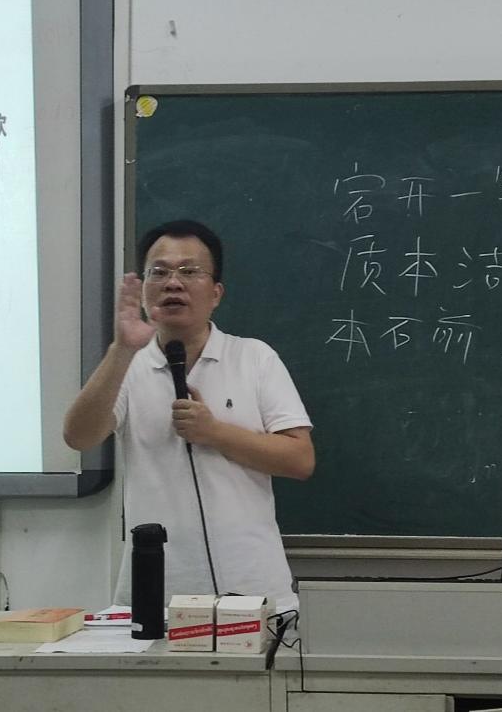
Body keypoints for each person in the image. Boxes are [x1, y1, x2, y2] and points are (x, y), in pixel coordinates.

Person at [63, 219, 314, 610]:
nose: (173, 283)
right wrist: (121, 349)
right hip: (156, 591)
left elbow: (300, 459)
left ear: (216, 293)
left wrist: (214, 432)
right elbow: (78, 437)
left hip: (253, 589)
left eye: (189, 271)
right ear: (143, 290)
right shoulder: (127, 365)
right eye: (159, 272)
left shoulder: (254, 358)